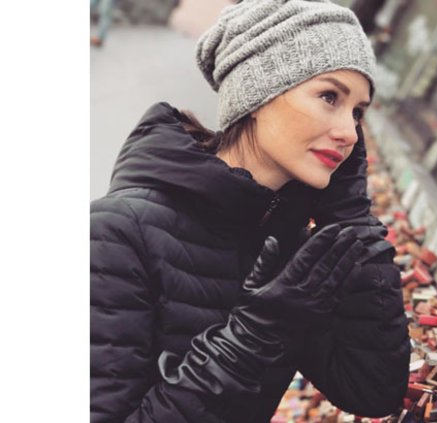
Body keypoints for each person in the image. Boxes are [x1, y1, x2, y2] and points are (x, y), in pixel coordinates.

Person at [90, 1, 410, 422]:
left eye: (357, 113)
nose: (349, 132)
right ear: (257, 94)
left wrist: (351, 220)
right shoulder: (115, 234)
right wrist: (252, 336)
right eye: (329, 96)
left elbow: (373, 391)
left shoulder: (290, 246)